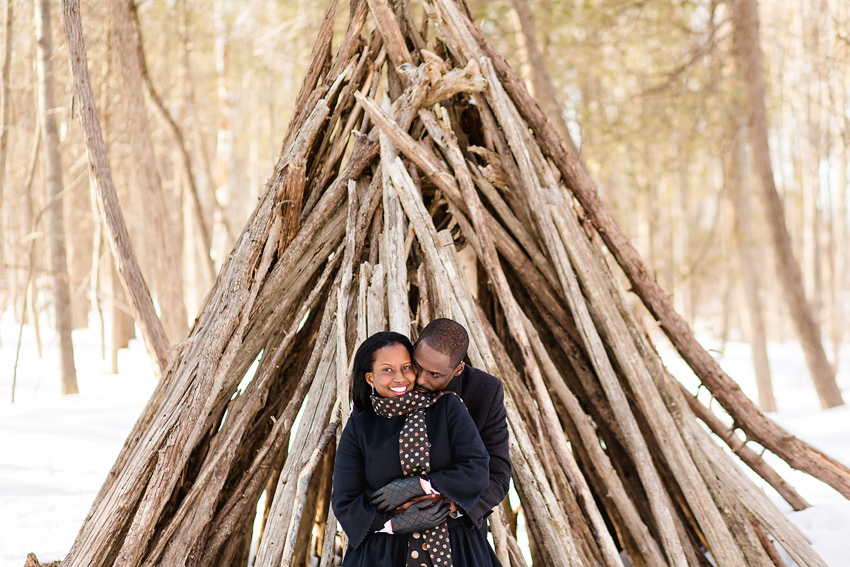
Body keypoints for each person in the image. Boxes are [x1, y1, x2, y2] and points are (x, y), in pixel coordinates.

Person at [332, 332, 503, 567]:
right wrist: (392, 523)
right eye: (388, 370)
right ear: (370, 378)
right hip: (382, 553)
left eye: (406, 367)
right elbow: (345, 499)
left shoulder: (448, 407)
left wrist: (426, 486)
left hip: (456, 545)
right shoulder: (360, 427)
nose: (403, 378)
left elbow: (479, 470)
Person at [410, 318, 511, 531]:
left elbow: (498, 474)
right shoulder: (397, 378)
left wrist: (452, 506)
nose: (420, 380)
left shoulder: (485, 392)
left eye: (434, 375)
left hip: (455, 527)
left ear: (458, 370)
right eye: (417, 366)